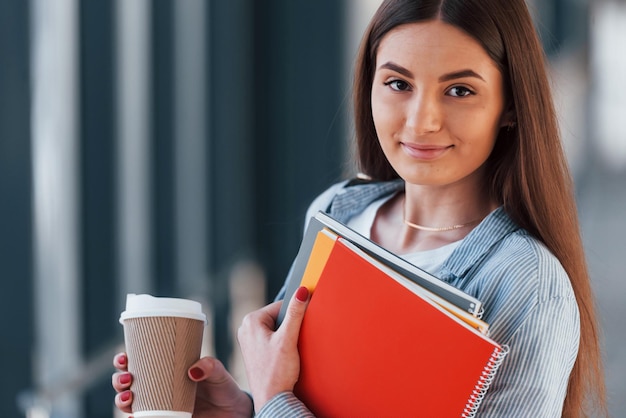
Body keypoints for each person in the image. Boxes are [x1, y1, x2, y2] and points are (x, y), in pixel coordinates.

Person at [113, 0, 607, 416]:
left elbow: (284, 399)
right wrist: (243, 409)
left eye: (459, 90)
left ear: (511, 106)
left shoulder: (526, 284)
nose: (422, 121)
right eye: (398, 84)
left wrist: (275, 399)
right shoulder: (337, 213)